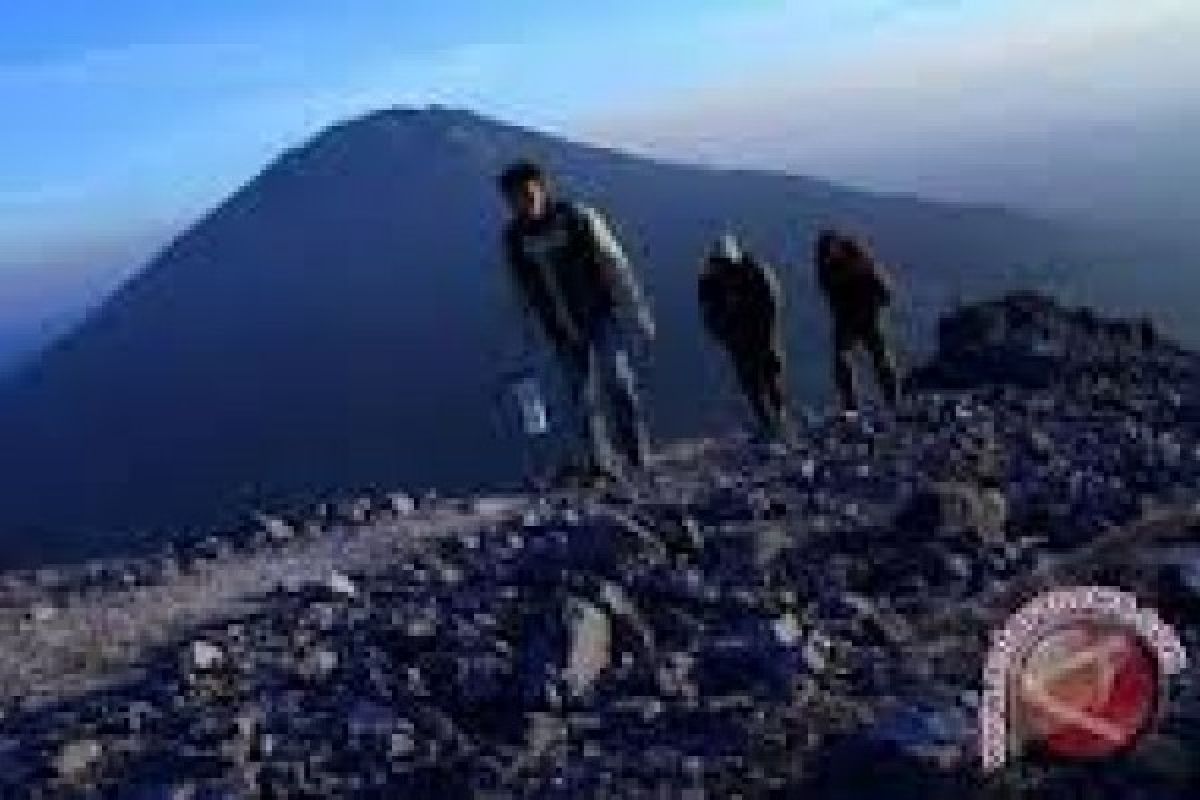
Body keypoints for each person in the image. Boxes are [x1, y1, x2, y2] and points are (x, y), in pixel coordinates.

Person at [498, 160, 656, 486]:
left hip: (599, 315)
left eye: (528, 194)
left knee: (618, 382)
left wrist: (637, 308)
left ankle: (636, 455)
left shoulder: (578, 218)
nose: (524, 204)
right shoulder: (514, 239)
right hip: (560, 327)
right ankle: (601, 462)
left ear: (542, 190)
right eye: (515, 198)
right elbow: (520, 291)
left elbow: (614, 262)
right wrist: (524, 337)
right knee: (580, 397)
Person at [698, 234, 791, 441]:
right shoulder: (709, 280)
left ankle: (780, 416)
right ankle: (767, 423)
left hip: (761, 330)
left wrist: (767, 334)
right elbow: (709, 315)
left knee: (769, 374)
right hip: (737, 337)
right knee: (750, 383)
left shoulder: (755, 270)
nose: (724, 266)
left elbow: (771, 302)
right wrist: (727, 337)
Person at [815, 229, 900, 411]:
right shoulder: (827, 263)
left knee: (878, 357)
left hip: (866, 313)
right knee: (845, 360)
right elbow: (829, 289)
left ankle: (891, 398)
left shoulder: (857, 256)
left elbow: (880, 285)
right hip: (849, 315)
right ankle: (852, 403)